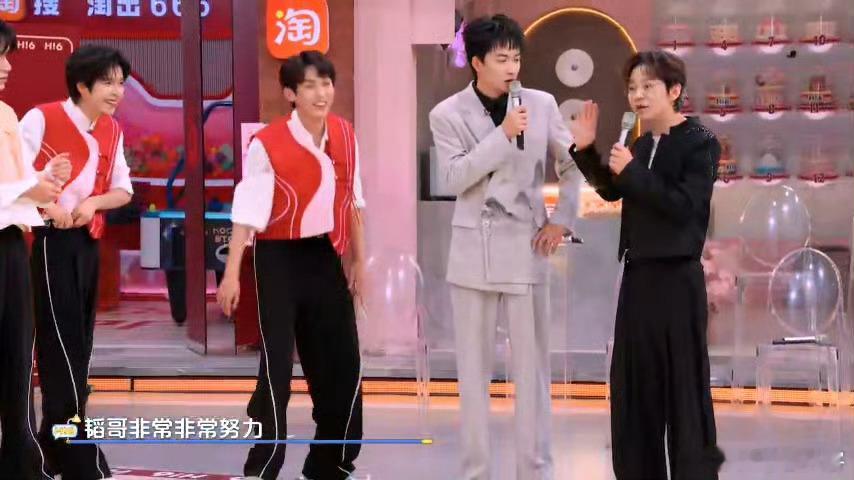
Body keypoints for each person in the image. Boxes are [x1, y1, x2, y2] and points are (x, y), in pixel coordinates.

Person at [429, 14, 581, 480]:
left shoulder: (542, 103)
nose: (512, 67)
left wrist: (562, 220)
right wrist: (502, 135)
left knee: (532, 373)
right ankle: (476, 473)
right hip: (472, 253)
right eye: (501, 59)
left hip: (526, 249)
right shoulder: (446, 114)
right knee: (473, 377)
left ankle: (535, 471)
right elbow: (452, 178)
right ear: (477, 62)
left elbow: (572, 164)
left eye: (516, 57)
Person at [569, 50, 725, 479]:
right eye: (632, 88)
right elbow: (613, 191)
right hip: (638, 277)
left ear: (674, 91)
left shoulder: (701, 142)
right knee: (635, 388)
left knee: (684, 391)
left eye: (648, 87)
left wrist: (634, 172)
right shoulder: (639, 144)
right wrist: (586, 150)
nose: (637, 95)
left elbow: (686, 207)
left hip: (678, 280)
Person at [217, 50, 367, 480]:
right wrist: (231, 274)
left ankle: (330, 463)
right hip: (277, 258)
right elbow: (247, 213)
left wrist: (359, 261)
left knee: (342, 364)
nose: (321, 94)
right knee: (277, 369)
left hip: (324, 256)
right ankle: (262, 466)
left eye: (326, 84)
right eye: (310, 86)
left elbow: (353, 203)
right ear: (290, 94)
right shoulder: (267, 143)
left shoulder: (345, 134)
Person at [20, 44, 134, 479]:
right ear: (82, 85)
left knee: (80, 345)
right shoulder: (42, 118)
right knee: (59, 345)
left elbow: (123, 189)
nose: (117, 91)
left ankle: (58, 440)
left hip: (86, 243)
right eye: (107, 82)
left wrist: (92, 203)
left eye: (121, 83)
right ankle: (71, 445)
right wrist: (48, 207)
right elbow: (13, 179)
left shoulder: (111, 130)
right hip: (47, 241)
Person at [0, 19, 69, 480]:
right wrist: (32, 188)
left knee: (16, 355)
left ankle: (21, 463)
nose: (7, 66)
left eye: (8, 56)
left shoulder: (6, 115)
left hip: (9, 244)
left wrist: (45, 181)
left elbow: (18, 184)